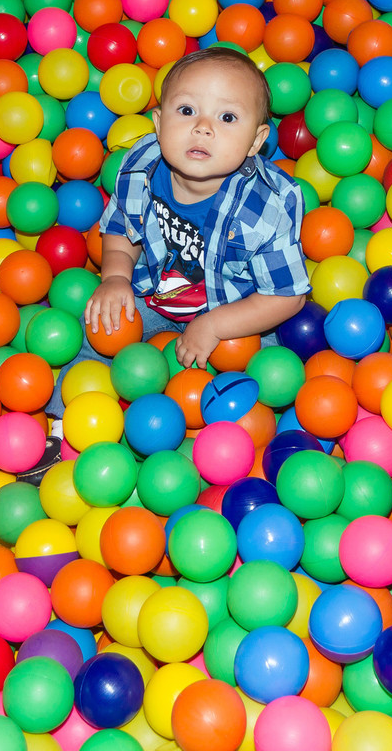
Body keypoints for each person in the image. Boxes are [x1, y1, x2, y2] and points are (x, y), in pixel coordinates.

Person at [19, 46, 310, 484]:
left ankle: (223, 463)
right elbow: (120, 224)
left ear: (256, 141)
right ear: (158, 124)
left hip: (237, 315)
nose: (203, 127)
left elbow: (287, 296)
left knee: (261, 383)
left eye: (227, 118)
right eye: (187, 110)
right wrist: (115, 276)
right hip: (157, 295)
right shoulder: (142, 164)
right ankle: (63, 433)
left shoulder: (270, 203)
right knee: (94, 332)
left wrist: (213, 325)